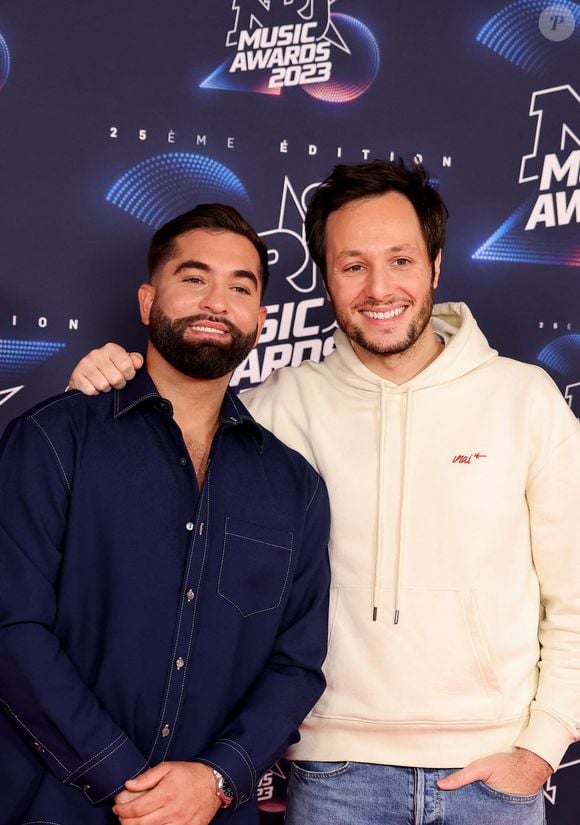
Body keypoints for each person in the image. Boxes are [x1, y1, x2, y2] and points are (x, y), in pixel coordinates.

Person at [67, 160, 580, 825]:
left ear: (435, 266)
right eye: (352, 265)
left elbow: (574, 597)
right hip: (334, 777)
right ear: (325, 278)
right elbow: (169, 426)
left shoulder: (525, 401)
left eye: (400, 259)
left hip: (493, 776)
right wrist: (105, 384)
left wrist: (540, 748)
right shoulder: (276, 409)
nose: (379, 287)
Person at [0, 204, 331, 825]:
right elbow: (12, 627)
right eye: (193, 278)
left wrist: (216, 777)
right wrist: (123, 776)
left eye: (240, 287)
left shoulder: (294, 487)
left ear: (260, 321)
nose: (216, 300)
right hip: (54, 804)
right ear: (148, 302)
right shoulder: (54, 440)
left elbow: (296, 665)